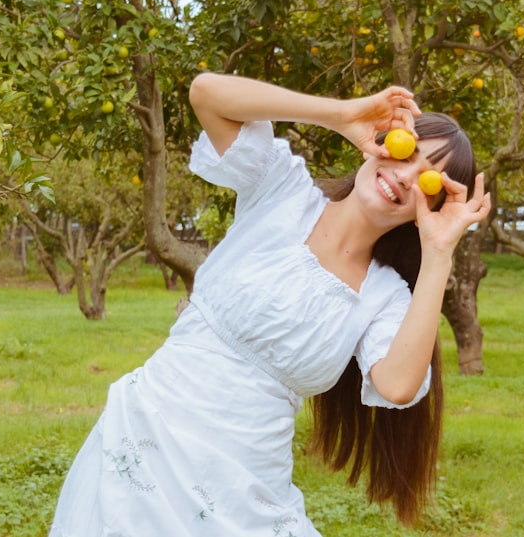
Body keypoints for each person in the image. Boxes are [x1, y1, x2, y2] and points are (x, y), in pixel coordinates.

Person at [49, 74, 490, 536]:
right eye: (405, 152)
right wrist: (340, 115)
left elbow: (399, 386)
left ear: (434, 205)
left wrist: (439, 251)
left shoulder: (383, 297)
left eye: (426, 178)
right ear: (379, 144)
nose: (403, 176)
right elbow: (206, 93)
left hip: (247, 498)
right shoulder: (281, 189)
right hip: (143, 446)